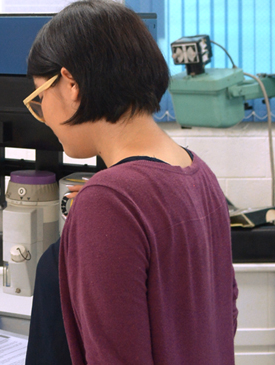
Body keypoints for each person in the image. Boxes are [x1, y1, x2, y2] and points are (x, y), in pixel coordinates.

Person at [21, 1, 238, 364]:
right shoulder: (200, 175)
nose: (43, 116)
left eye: (40, 97)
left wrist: (99, 215)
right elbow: (222, 318)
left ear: (71, 83)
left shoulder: (108, 201)